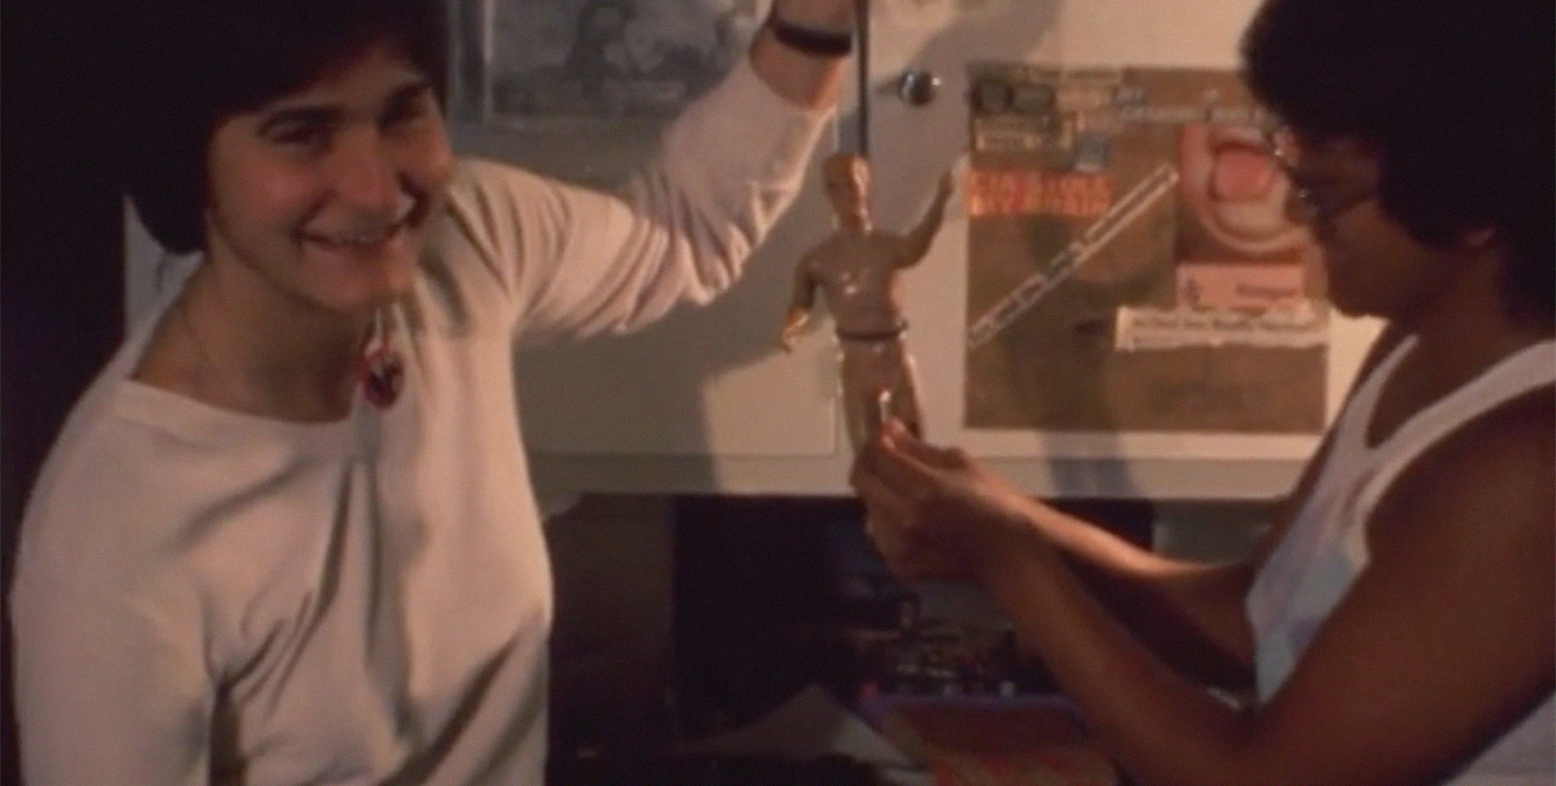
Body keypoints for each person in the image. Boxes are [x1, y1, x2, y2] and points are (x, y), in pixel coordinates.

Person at [7, 0, 857, 782]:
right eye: (301, 134)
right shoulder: (120, 540)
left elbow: (680, 233)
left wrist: (814, 23)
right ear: (186, 165)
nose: (377, 191)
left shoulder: (466, 240)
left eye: (402, 113)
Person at [850, 0, 1556, 784]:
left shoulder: (1528, 470)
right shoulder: (1416, 347)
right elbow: (1253, 621)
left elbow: (1256, 778)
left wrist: (1013, 564)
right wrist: (1008, 522)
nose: (1293, 212)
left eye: (1324, 192)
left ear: (1474, 203)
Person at [779, 153, 954, 449]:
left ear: (867, 184)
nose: (848, 192)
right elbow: (801, 302)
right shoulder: (817, 260)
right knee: (867, 451)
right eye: (837, 186)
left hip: (895, 354)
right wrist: (791, 328)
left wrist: (940, 201)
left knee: (915, 446)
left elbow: (918, 243)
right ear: (828, 193)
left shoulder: (889, 247)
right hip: (856, 361)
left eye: (854, 182)